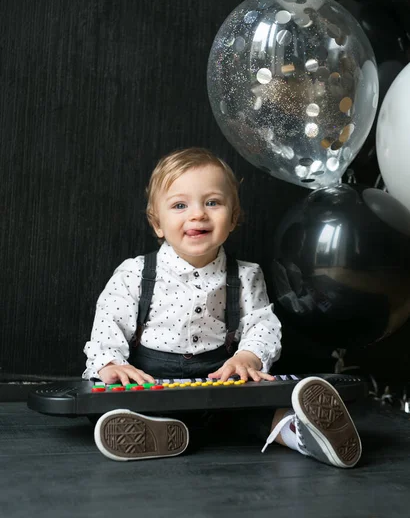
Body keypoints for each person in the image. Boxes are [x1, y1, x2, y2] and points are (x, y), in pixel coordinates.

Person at [83, 147, 362, 467]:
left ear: (233, 218)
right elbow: (109, 322)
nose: (198, 214)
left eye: (212, 202)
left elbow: (263, 324)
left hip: (222, 387)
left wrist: (248, 356)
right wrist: (109, 363)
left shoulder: (245, 275)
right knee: (102, 403)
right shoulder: (135, 273)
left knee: (259, 408)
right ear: (157, 223)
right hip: (153, 387)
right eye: (179, 205)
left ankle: (306, 436)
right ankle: (157, 433)